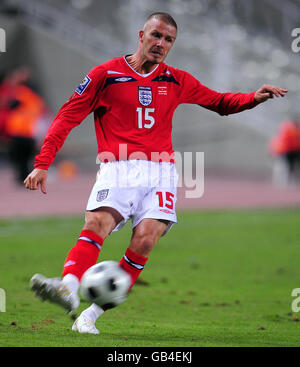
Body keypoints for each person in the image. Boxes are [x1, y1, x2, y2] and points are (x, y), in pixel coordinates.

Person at [24, 12, 288, 335]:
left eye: (168, 40)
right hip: (118, 167)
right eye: (156, 36)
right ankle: (67, 287)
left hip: (160, 172)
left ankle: (90, 315)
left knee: (146, 240)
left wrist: (253, 98)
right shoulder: (105, 75)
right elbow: (67, 117)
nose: (161, 44)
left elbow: (219, 102)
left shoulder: (176, 80)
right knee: (97, 223)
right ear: (141, 34)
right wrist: (43, 162)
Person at [269, 119, 300, 186]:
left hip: (291, 151)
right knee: (284, 166)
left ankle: (286, 180)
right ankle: (282, 181)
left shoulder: (292, 131)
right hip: (286, 151)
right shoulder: (289, 131)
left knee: (288, 166)